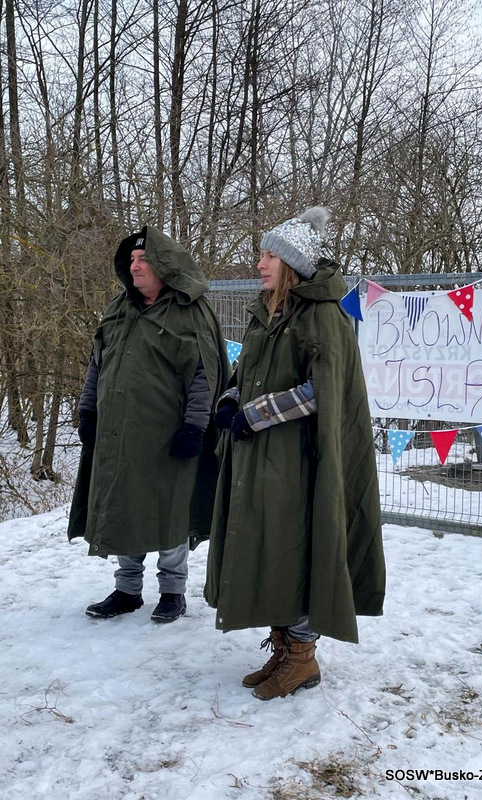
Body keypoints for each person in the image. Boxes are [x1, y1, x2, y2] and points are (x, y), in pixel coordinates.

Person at [204, 207, 385, 700]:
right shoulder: (268, 312)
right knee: (272, 547)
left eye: (269, 256)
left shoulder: (323, 315)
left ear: (293, 264)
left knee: (300, 547)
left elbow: (322, 390)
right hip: (262, 459)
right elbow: (247, 373)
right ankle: (284, 646)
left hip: (301, 462)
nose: (259, 263)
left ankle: (302, 657)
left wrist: (254, 414)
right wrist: (230, 401)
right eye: (261, 254)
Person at [68, 226, 230, 622]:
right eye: (131, 260)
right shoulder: (118, 308)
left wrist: (194, 428)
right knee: (125, 506)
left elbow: (204, 375)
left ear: (164, 265)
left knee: (170, 510)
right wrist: (87, 411)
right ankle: (127, 589)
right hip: (118, 431)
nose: (134, 266)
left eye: (143, 259)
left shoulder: (191, 311)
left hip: (168, 435)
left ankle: (173, 592)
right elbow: (97, 364)